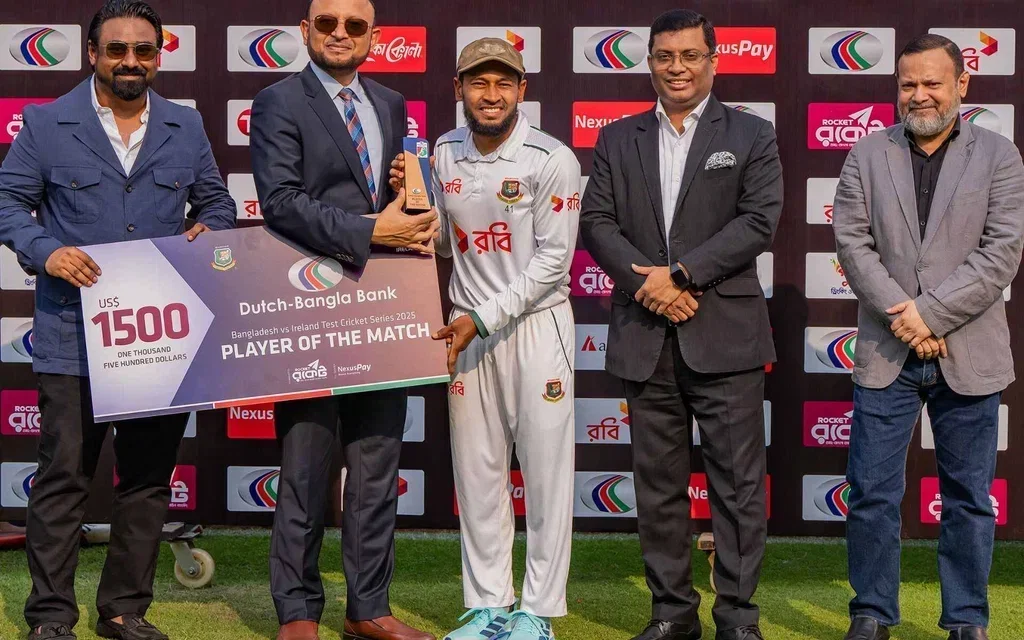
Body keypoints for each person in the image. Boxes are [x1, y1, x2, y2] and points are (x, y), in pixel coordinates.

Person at [0, 1, 237, 638]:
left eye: (143, 50)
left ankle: (125, 611)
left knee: (146, 483)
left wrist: (204, 231)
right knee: (62, 483)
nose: (130, 61)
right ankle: (50, 619)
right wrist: (46, 252)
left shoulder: (185, 127)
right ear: (93, 54)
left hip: (159, 340)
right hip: (72, 338)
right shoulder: (48, 124)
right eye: (116, 50)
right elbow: (7, 202)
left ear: (159, 55)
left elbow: (216, 203)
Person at [580, 9, 782, 640]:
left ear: (713, 61)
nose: (677, 67)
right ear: (649, 62)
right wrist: (648, 286)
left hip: (725, 337)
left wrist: (683, 275)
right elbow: (597, 223)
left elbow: (758, 220)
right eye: (665, 56)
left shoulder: (752, 134)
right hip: (646, 337)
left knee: (738, 488)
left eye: (690, 55)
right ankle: (671, 614)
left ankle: (738, 619)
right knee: (659, 488)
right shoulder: (617, 138)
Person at [248, 0, 438, 639]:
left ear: (373, 37)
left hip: (383, 305)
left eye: (354, 24)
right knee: (305, 466)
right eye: (326, 22)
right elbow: (279, 202)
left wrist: (414, 205)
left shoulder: (390, 102)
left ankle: (369, 608)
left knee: (377, 464)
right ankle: (298, 611)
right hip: (309, 307)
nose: (339, 33)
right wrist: (370, 226)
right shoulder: (278, 100)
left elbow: (389, 198)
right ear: (305, 31)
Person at [833, 34, 1024, 640]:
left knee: (968, 498)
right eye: (908, 83)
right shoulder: (866, 154)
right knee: (871, 494)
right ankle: (871, 613)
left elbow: (1001, 254)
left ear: (962, 85)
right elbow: (852, 244)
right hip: (887, 352)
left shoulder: (1001, 155)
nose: (919, 95)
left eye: (932, 83)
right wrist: (905, 317)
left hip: (968, 352)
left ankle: (967, 618)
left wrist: (931, 318)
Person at [389, 37, 581, 640]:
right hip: (465, 329)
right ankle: (489, 605)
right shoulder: (442, 152)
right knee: (478, 472)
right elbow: (441, 241)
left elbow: (554, 262)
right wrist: (411, 202)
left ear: (522, 91)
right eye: (479, 83)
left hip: (536, 327)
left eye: (503, 84)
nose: (490, 95)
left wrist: (483, 316)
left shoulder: (552, 158)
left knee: (547, 474)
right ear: (458, 89)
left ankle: (541, 612)